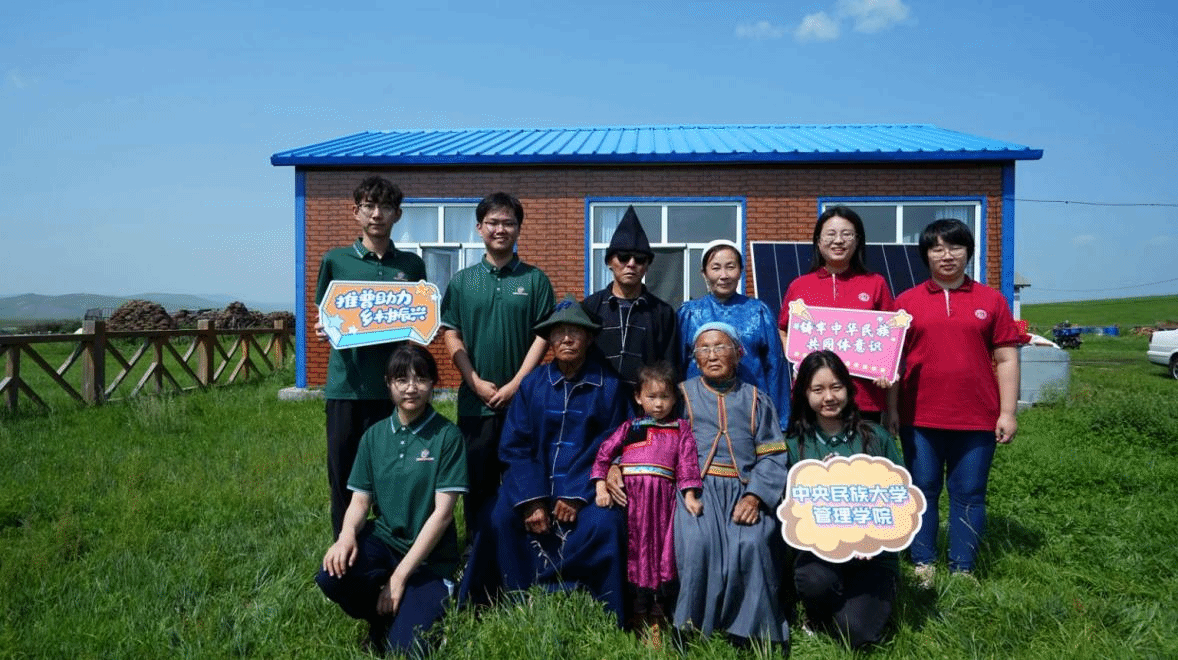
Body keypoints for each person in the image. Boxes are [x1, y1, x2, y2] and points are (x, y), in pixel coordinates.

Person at [459, 297, 630, 625]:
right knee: (496, 517)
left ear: (589, 338)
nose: (566, 338)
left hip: (585, 487)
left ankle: (601, 606)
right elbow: (514, 447)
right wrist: (532, 500)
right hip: (533, 483)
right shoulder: (533, 384)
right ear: (549, 339)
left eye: (575, 331)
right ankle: (503, 596)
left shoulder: (609, 387)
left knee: (607, 524)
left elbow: (613, 443)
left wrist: (576, 494)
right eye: (559, 332)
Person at [887, 219, 1020, 585]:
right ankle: (923, 563)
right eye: (937, 249)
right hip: (920, 417)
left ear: (968, 252)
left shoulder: (991, 301)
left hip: (977, 417)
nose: (947, 256)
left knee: (970, 493)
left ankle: (963, 567)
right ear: (926, 255)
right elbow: (894, 361)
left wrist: (1008, 412)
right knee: (922, 490)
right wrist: (892, 408)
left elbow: (1007, 358)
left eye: (955, 247)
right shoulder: (905, 303)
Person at [315, 343, 467, 656]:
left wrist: (399, 577)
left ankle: (418, 601)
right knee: (331, 576)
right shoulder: (374, 436)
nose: (411, 388)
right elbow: (360, 501)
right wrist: (346, 536)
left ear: (433, 383)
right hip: (384, 543)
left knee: (406, 651)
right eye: (401, 380)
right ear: (388, 383)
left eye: (420, 379)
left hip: (429, 560)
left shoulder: (447, 436)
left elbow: (443, 514)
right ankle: (378, 613)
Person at [439, 192, 555, 541]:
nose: (500, 229)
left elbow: (544, 335)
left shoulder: (535, 280)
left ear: (519, 228)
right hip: (476, 403)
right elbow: (451, 333)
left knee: (525, 479)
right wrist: (474, 381)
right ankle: (477, 549)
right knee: (477, 482)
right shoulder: (463, 281)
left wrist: (517, 383)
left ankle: (525, 549)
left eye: (508, 223)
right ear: (479, 227)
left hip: (524, 402)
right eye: (492, 222)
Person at [314, 176, 427, 537]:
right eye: (369, 206)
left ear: (398, 214)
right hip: (346, 387)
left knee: (394, 472)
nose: (377, 214)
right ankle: (344, 547)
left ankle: (393, 545)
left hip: (394, 389)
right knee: (343, 473)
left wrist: (426, 326)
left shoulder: (411, 265)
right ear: (356, 211)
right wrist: (323, 327)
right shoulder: (336, 260)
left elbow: (419, 316)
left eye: (386, 207)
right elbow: (325, 313)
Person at [674, 322, 790, 647]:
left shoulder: (756, 399)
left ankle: (752, 632)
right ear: (695, 358)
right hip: (697, 490)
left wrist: (755, 497)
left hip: (746, 489)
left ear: (738, 354)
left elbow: (772, 454)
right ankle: (690, 627)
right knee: (697, 544)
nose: (712, 355)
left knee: (753, 543)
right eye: (704, 349)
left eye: (720, 347)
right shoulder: (682, 396)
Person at [785, 350, 902, 649]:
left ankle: (858, 606)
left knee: (856, 634)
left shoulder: (876, 437)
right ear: (805, 394)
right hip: (820, 553)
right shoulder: (795, 445)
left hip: (874, 558)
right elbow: (790, 510)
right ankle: (817, 614)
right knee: (814, 581)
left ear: (849, 389)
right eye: (818, 389)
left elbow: (899, 500)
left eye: (836, 387)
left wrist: (874, 539)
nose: (829, 397)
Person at [591, 360, 702, 638]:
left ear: (675, 398)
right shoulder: (629, 427)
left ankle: (658, 615)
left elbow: (687, 463)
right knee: (634, 553)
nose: (659, 404)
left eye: (665, 396)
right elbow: (604, 454)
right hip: (631, 502)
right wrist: (601, 488)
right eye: (651, 397)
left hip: (663, 503)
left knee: (661, 556)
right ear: (638, 397)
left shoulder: (680, 428)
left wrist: (689, 494)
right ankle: (636, 612)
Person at [778, 206, 895, 422]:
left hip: (864, 398)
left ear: (857, 241)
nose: (838, 241)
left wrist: (885, 367)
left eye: (847, 234)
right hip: (812, 398)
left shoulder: (875, 284)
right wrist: (799, 360)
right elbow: (783, 330)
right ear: (818, 241)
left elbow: (891, 336)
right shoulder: (800, 286)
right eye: (831, 234)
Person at [678, 240, 790, 429]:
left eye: (730, 267)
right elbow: (677, 365)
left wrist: (780, 421)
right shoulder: (689, 313)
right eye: (716, 268)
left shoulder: (759, 312)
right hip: (699, 410)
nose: (724, 275)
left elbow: (775, 367)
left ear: (741, 271)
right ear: (704, 273)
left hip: (749, 409)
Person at [581, 206, 680, 399]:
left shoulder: (662, 313)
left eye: (640, 259)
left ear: (647, 266)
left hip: (644, 407)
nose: (631, 264)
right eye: (623, 257)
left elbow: (670, 368)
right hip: (597, 403)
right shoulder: (590, 308)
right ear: (609, 262)